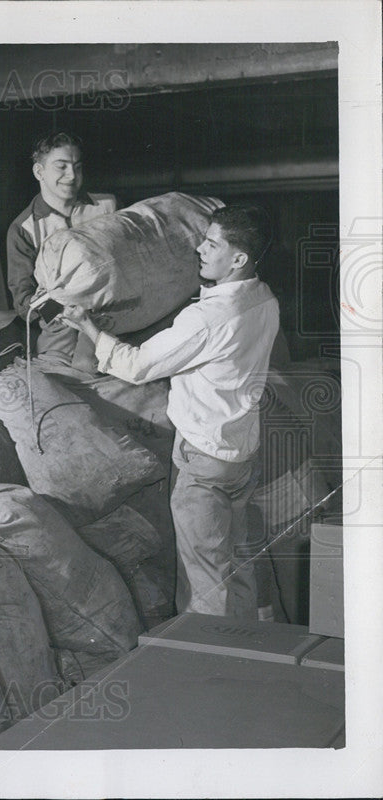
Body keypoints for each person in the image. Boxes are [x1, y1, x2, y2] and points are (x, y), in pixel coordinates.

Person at [60, 205, 279, 619]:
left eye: (212, 243)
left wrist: (89, 329)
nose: (199, 248)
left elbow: (137, 365)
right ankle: (254, 649)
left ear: (238, 259)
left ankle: (210, 667)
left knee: (205, 577)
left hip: (202, 457)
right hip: (242, 452)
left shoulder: (207, 318)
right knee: (240, 563)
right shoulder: (264, 298)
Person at [6, 132, 117, 367]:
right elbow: (22, 299)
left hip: (114, 313)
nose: (72, 176)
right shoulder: (25, 229)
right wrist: (64, 312)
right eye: (61, 167)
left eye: (77, 166)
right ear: (39, 172)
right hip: (60, 324)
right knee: (57, 374)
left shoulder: (108, 207)